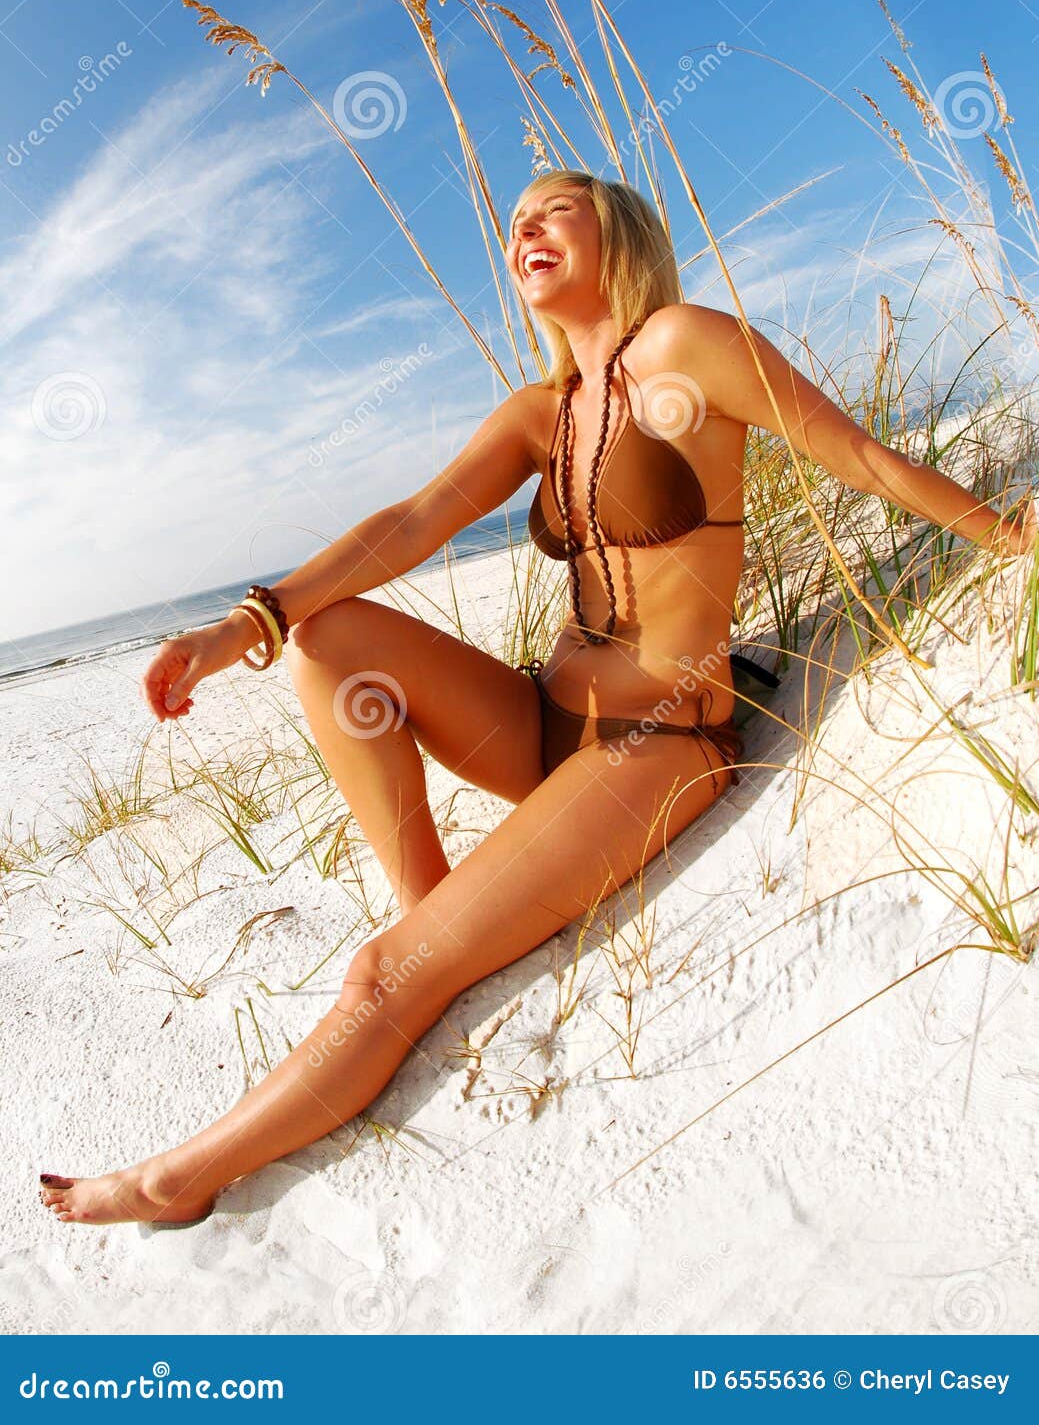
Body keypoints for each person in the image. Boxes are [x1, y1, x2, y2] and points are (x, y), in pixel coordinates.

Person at [39, 169, 1035, 1227]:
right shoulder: (541, 412)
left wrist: (1013, 540)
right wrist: (248, 621)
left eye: (553, 210)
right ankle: (435, 914)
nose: (525, 230)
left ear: (617, 232)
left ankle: (180, 1178)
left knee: (380, 975)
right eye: (513, 222)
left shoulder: (687, 346)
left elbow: (860, 456)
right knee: (327, 641)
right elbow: (412, 521)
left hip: (658, 745)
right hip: (538, 724)